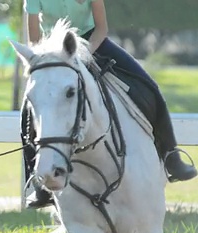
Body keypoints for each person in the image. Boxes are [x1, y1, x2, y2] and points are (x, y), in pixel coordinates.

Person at [22, 0, 197, 209]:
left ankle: (172, 158)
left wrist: (81, 56)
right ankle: (38, 183)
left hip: (91, 41)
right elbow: (35, 40)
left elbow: (101, 28)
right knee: (27, 111)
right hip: (53, 53)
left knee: (148, 86)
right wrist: (47, 64)